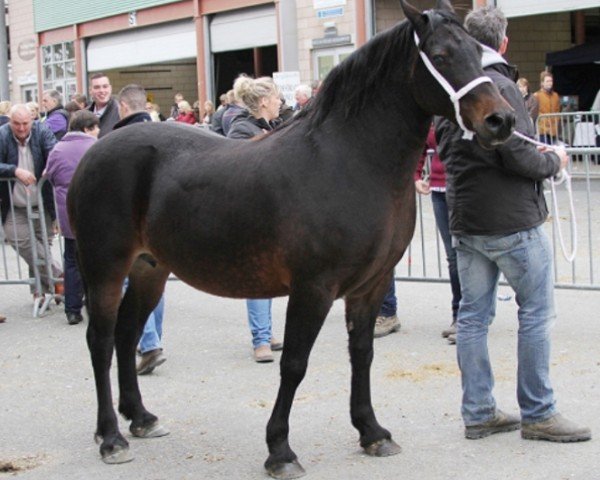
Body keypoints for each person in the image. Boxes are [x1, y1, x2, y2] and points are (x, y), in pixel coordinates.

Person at [435, 5, 591, 443]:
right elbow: (519, 155)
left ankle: (479, 411)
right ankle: (539, 411)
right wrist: (554, 159)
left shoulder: (450, 89)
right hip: (512, 221)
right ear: (502, 42)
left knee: (472, 318)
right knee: (537, 314)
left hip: (467, 218)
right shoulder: (498, 86)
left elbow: (448, 150)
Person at [226, 74, 283, 363]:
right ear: (263, 102)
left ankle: (267, 332)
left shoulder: (271, 125)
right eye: (276, 98)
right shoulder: (241, 129)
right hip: (250, 213)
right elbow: (239, 169)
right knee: (259, 275)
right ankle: (260, 339)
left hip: (269, 211)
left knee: (269, 274)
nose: (280, 103)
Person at [113, 84, 167, 375]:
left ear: (123, 106)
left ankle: (148, 343)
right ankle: (154, 338)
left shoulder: (122, 139)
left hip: (135, 225)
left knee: (131, 284)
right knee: (155, 284)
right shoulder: (163, 131)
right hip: (161, 224)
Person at [0, 104, 62, 300]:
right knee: (21, 240)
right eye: (16, 124)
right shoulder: (2, 135)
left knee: (41, 244)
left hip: (42, 201)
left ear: (32, 121)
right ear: (10, 121)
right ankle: (60, 278)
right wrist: (14, 171)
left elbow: (53, 150)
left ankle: (40, 291)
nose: (21, 128)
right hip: (13, 203)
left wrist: (49, 167)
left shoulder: (41, 131)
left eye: (25, 123)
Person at [45, 110, 99, 325]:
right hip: (95, 213)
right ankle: (95, 307)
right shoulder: (96, 147)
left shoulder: (57, 149)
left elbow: (49, 175)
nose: (98, 131)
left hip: (68, 211)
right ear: (87, 129)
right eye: (95, 127)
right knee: (96, 261)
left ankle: (72, 309)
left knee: (71, 260)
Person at [414, 124, 461, 343]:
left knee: (466, 254)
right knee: (453, 256)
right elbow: (422, 146)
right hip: (439, 190)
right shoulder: (434, 118)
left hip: (463, 188)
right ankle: (458, 315)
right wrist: (416, 175)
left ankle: (471, 316)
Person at [87, 72, 121, 137]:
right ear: (90, 91)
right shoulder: (84, 114)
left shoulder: (120, 112)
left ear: (110, 88)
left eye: (105, 86)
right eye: (97, 87)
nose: (102, 91)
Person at [534, 71, 561, 145]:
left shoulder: (555, 95)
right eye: (547, 81)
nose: (550, 83)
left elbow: (558, 110)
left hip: (554, 129)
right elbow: (534, 112)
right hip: (543, 130)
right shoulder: (537, 95)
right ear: (542, 83)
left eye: (551, 81)